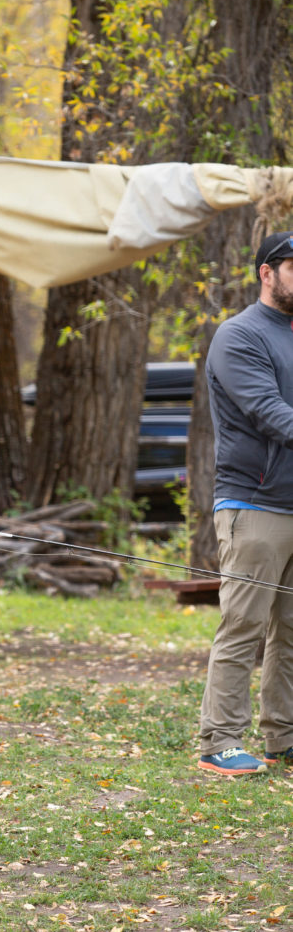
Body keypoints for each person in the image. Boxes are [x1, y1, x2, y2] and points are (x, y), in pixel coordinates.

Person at [199, 230, 293, 777]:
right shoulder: (238, 336)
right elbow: (270, 412)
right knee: (244, 626)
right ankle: (220, 740)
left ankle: (283, 735)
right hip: (254, 503)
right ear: (266, 272)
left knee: (292, 630)